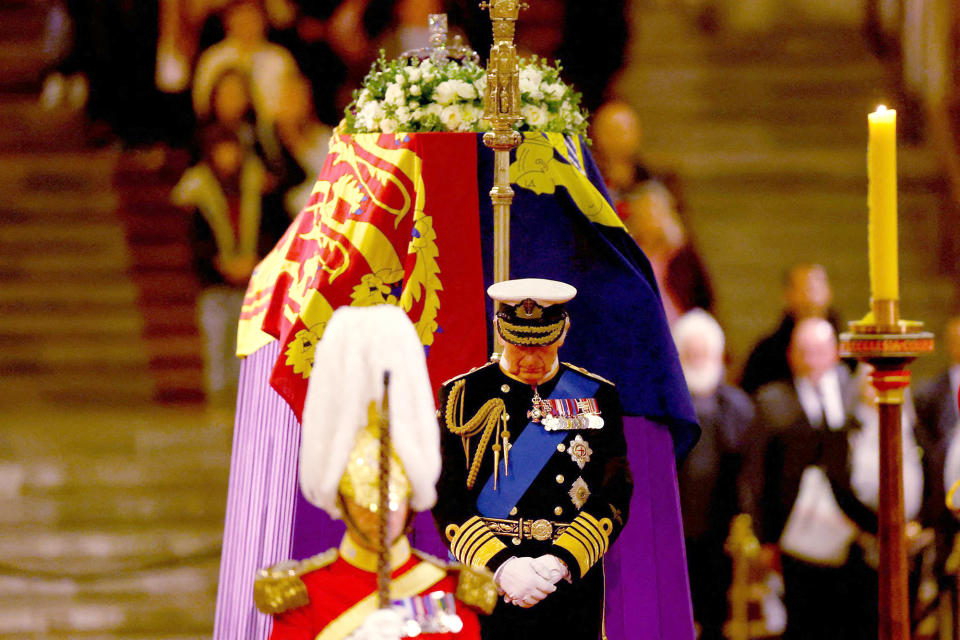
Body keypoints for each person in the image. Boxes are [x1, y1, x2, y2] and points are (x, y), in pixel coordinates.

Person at [255, 305, 493, 639]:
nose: (380, 512)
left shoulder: (451, 592)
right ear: (342, 498)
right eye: (364, 499)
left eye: (393, 499)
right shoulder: (302, 597)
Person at [432, 278, 633, 640]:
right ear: (499, 330)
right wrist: (500, 566)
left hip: (569, 585)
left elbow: (614, 494)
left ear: (563, 332)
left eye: (541, 345)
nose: (529, 358)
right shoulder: (463, 396)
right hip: (492, 581)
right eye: (518, 344)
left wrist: (561, 562)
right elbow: (447, 499)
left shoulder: (596, 395)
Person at [742, 317, 886, 640]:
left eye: (820, 351)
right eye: (804, 351)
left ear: (835, 352)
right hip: (798, 537)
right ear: (791, 355)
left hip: (856, 535)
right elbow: (757, 472)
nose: (812, 360)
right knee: (805, 623)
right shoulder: (773, 401)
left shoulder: (855, 393)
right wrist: (765, 535)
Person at [171, 122, 285, 405]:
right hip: (215, 283)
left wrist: (255, 261)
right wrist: (219, 264)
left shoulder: (257, 185)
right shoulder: (199, 191)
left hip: (253, 281)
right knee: (218, 343)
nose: (227, 156)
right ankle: (219, 401)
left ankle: (249, 400)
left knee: (248, 344)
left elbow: (270, 231)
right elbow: (197, 241)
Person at [671, 309, 753, 640]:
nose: (698, 356)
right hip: (674, 523)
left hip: (720, 527)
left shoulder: (738, 406)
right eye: (691, 350)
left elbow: (748, 469)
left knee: (716, 610)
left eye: (704, 350)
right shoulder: (668, 406)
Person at [739, 263, 844, 396]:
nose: (810, 298)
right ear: (787, 295)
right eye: (803, 289)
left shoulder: (848, 348)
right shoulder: (767, 353)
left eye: (816, 288)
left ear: (829, 292)